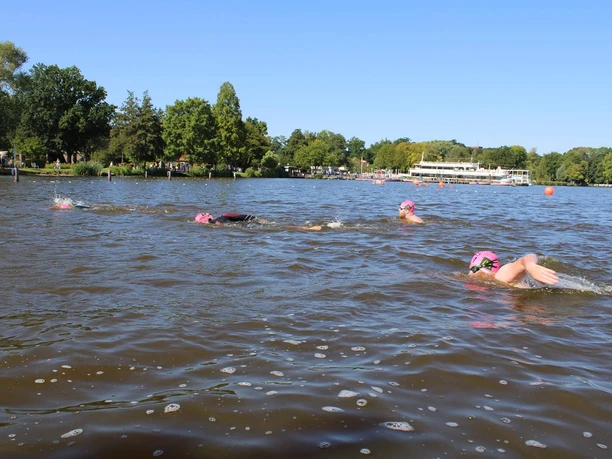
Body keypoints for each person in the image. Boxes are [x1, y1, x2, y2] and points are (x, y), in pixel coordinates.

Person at [468, 251, 559, 287]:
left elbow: (525, 259)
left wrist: (531, 266)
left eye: (474, 269)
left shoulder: (501, 276)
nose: (470, 273)